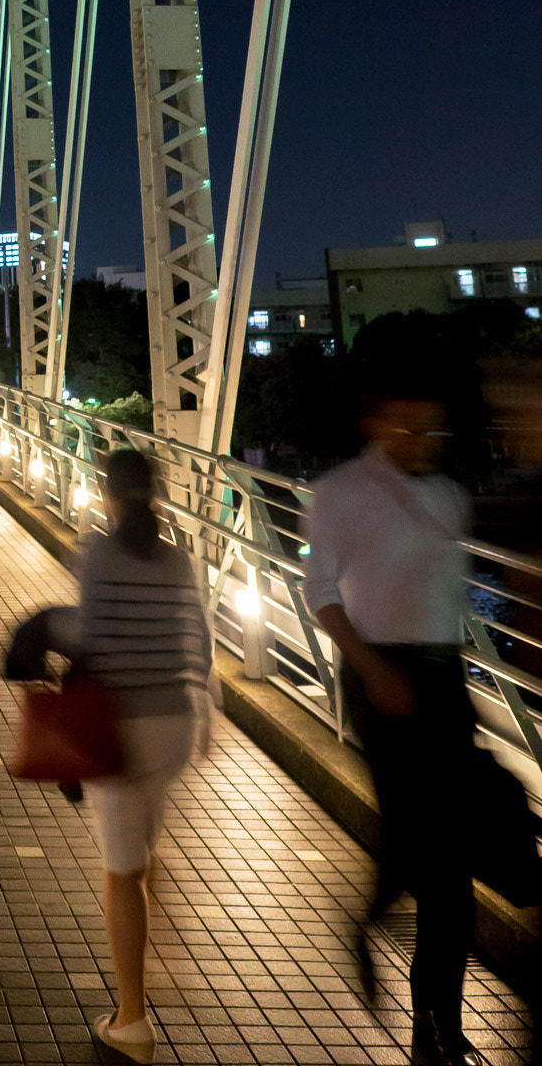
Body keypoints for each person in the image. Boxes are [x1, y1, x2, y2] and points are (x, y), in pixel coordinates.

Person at [306, 392, 478, 1066]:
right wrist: (371, 669)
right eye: (410, 424)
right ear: (373, 423)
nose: (425, 437)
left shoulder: (449, 496)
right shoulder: (339, 493)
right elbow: (320, 587)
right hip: (380, 678)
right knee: (428, 850)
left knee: (450, 865)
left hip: (445, 676)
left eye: (434, 424)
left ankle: (439, 1020)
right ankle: (426, 1008)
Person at [79, 447, 213, 1065]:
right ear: (155, 496)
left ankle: (131, 1019)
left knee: (120, 874)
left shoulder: (99, 553)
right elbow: (200, 638)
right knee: (140, 852)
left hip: (121, 728)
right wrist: (207, 717)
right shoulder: (180, 560)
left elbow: (89, 640)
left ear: (109, 496)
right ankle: (149, 952)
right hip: (174, 728)